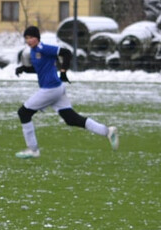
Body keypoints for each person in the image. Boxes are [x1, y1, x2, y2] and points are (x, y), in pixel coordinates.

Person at [12, 25, 118, 158]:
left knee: (23, 113)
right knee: (71, 119)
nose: (29, 40)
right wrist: (24, 69)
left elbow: (67, 53)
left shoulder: (43, 48)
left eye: (31, 37)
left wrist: (63, 72)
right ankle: (107, 131)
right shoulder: (34, 51)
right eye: (26, 38)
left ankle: (33, 150)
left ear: (37, 38)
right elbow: (40, 68)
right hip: (57, 89)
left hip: (50, 89)